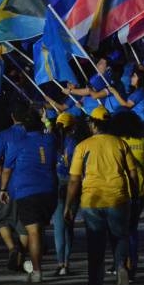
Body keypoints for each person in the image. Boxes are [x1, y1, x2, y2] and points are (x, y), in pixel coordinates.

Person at [64, 107, 139, 285]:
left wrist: (68, 205)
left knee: (95, 244)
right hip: (118, 197)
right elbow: (132, 172)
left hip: (92, 201)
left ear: (93, 124)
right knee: (119, 237)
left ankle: (95, 284)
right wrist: (135, 194)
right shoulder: (120, 143)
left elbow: (74, 180)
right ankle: (121, 266)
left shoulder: (83, 146)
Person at [0, 108, 58, 283]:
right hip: (48, 190)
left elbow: (7, 169)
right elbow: (51, 131)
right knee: (39, 230)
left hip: (26, 190)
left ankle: (37, 271)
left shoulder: (18, 143)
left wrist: (3, 190)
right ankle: (37, 264)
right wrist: (47, 121)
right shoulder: (50, 140)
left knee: (33, 232)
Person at [112, 110, 144, 281]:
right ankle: (132, 265)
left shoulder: (115, 142)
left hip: (119, 191)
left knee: (118, 231)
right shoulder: (143, 142)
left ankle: (120, 263)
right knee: (132, 231)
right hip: (138, 192)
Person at [0, 105, 29, 271]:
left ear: (13, 117)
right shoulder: (33, 134)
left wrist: (1, 180)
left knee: (3, 219)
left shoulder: (3, 134)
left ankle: (12, 249)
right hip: (28, 182)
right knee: (25, 223)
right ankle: (20, 258)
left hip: (8, 183)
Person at [51, 112, 83, 276]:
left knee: (58, 226)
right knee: (68, 225)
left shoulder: (51, 141)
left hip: (56, 183)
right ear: (73, 127)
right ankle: (66, 263)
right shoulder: (75, 144)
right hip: (72, 183)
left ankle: (60, 262)